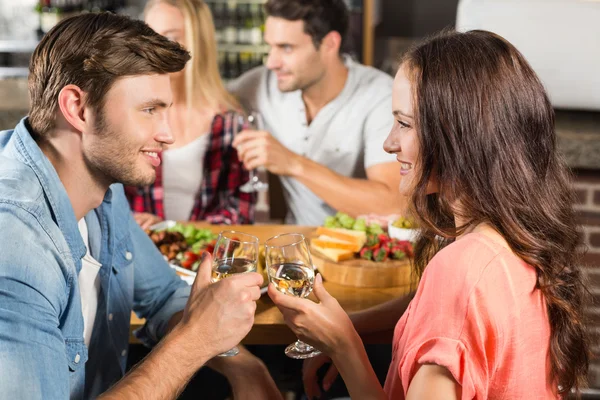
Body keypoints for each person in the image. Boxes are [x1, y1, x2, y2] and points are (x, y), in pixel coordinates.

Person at [269, 30, 590, 398]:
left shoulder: (459, 269)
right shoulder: (514, 235)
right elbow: (439, 307)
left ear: (460, 136)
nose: (389, 143)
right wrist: (349, 326)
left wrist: (344, 345)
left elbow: (454, 294)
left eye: (404, 124)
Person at [0, 13, 281, 399]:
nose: (167, 135)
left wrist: (246, 366)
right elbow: (192, 327)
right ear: (78, 109)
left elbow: (165, 297)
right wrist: (196, 340)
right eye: (149, 110)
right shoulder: (15, 241)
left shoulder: (98, 187)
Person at [228, 0, 406, 226]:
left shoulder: (381, 97)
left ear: (329, 44)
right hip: (298, 245)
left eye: (286, 48)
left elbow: (392, 203)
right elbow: (206, 99)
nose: (271, 62)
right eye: (270, 46)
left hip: (365, 250)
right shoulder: (262, 85)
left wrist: (293, 163)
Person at [126, 0, 255, 229]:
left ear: (198, 43)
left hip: (201, 258)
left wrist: (170, 228)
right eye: (150, 37)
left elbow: (240, 216)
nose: (156, 48)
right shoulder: (129, 113)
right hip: (138, 255)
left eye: (169, 36)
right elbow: (108, 202)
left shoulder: (230, 123)